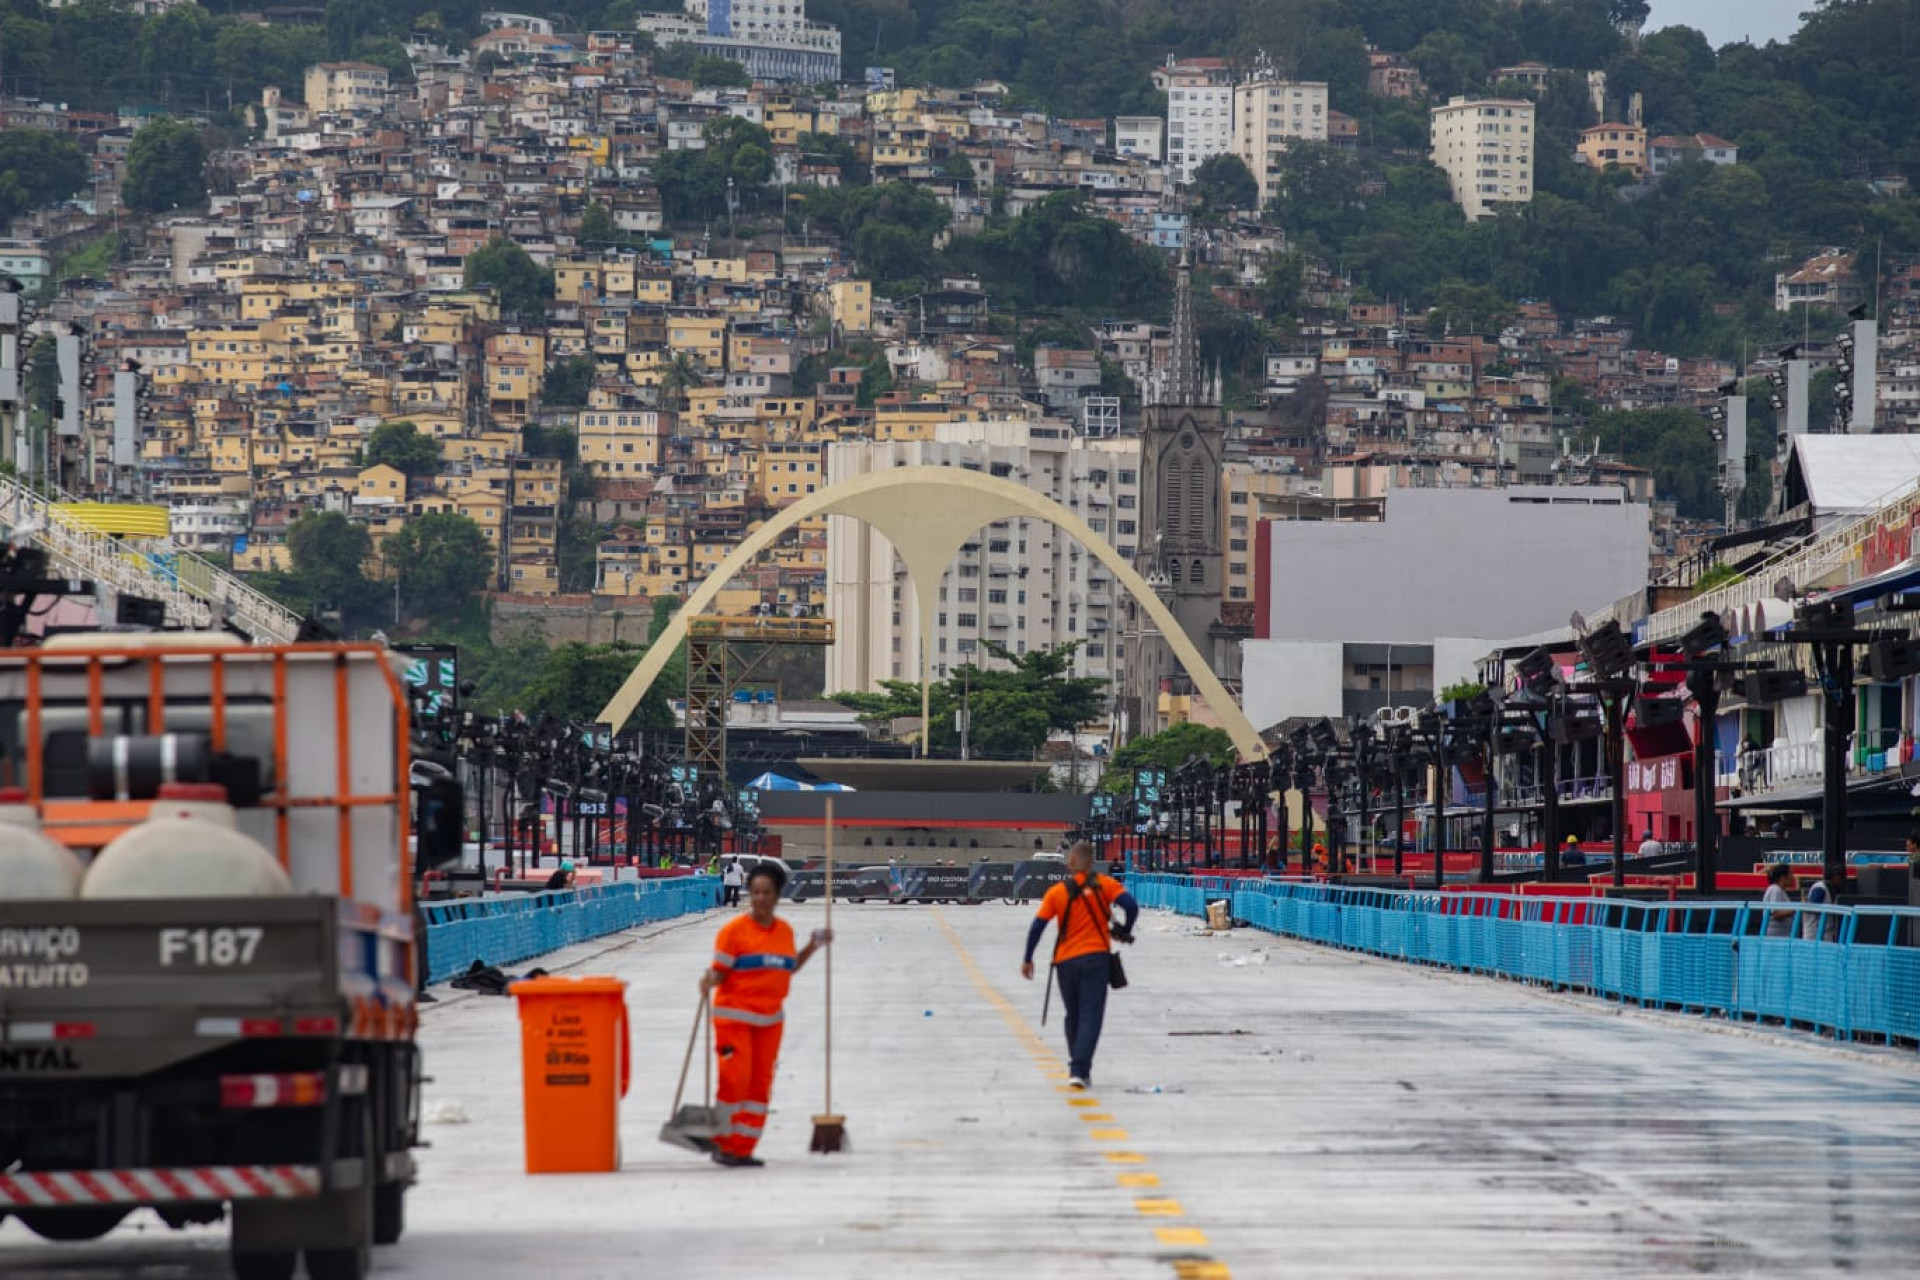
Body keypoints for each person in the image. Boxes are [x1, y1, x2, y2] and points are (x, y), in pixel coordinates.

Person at [699, 863, 832, 1168]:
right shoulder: (733, 932)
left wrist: (814, 945)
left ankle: (743, 1148)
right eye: (755, 892)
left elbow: (789, 967)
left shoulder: (783, 931)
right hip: (734, 1019)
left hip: (769, 1022)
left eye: (766, 892)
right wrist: (708, 980)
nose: (760, 898)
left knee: (759, 1087)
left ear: (776, 896)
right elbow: (719, 972)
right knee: (735, 1081)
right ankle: (724, 1144)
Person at [1020, 841, 1139, 1090]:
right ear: (1092, 862)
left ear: (1072, 862)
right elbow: (1131, 906)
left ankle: (1078, 1067)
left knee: (1072, 1014)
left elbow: (1038, 926)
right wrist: (1124, 931)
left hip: (1065, 962)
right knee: (1091, 1015)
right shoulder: (1105, 885)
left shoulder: (1057, 892)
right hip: (1096, 960)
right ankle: (1079, 1070)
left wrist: (1028, 958)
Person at [1762, 863, 1796, 937]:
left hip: (1783, 937)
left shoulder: (1781, 891)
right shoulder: (1775, 889)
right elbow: (1775, 913)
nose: (1793, 877)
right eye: (1791, 874)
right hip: (1775, 939)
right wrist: (1795, 910)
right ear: (1783, 877)